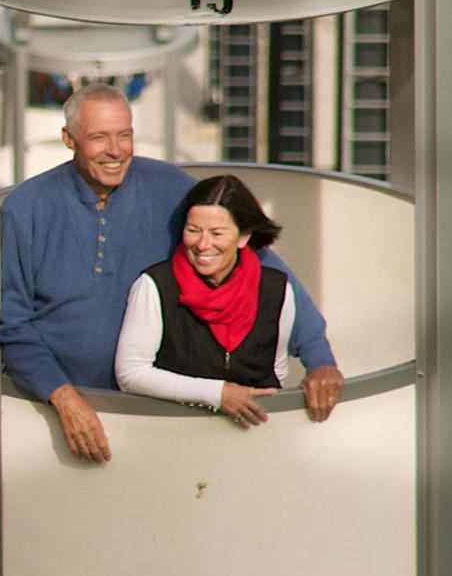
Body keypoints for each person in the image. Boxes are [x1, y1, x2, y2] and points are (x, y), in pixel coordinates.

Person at [0, 84, 343, 464]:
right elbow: (12, 323)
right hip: (61, 416)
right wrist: (62, 397)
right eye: (99, 137)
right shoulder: (24, 209)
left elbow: (264, 270)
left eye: (124, 135)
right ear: (69, 139)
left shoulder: (171, 187)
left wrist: (320, 360)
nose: (115, 150)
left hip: (166, 414)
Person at [115, 174, 327, 430]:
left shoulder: (278, 289)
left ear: (243, 237)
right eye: (193, 231)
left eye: (217, 233)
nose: (203, 244)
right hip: (173, 434)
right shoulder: (154, 285)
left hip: (253, 437)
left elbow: (276, 370)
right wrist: (217, 394)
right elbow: (131, 374)